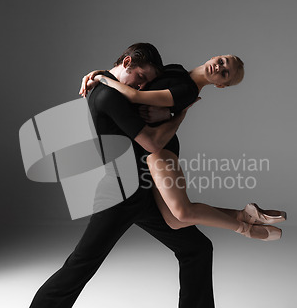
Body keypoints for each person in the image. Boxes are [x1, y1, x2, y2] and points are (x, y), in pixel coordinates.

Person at [2, 43, 224, 308]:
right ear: (126, 63)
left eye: (146, 81)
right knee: (77, 270)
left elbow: (162, 85)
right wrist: (183, 113)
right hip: (118, 195)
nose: (141, 87)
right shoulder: (110, 97)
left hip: (144, 192)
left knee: (196, 248)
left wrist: (105, 74)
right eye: (140, 78)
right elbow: (152, 143)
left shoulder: (113, 85)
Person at [79, 55, 286, 240]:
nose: (219, 68)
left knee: (183, 213)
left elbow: (135, 97)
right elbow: (142, 84)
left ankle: (244, 229)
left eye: (224, 74)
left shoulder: (188, 90)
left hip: (160, 150)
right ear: (216, 56)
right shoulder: (176, 69)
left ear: (221, 85)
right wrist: (103, 73)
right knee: (174, 221)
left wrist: (101, 78)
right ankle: (244, 214)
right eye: (222, 62)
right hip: (151, 150)